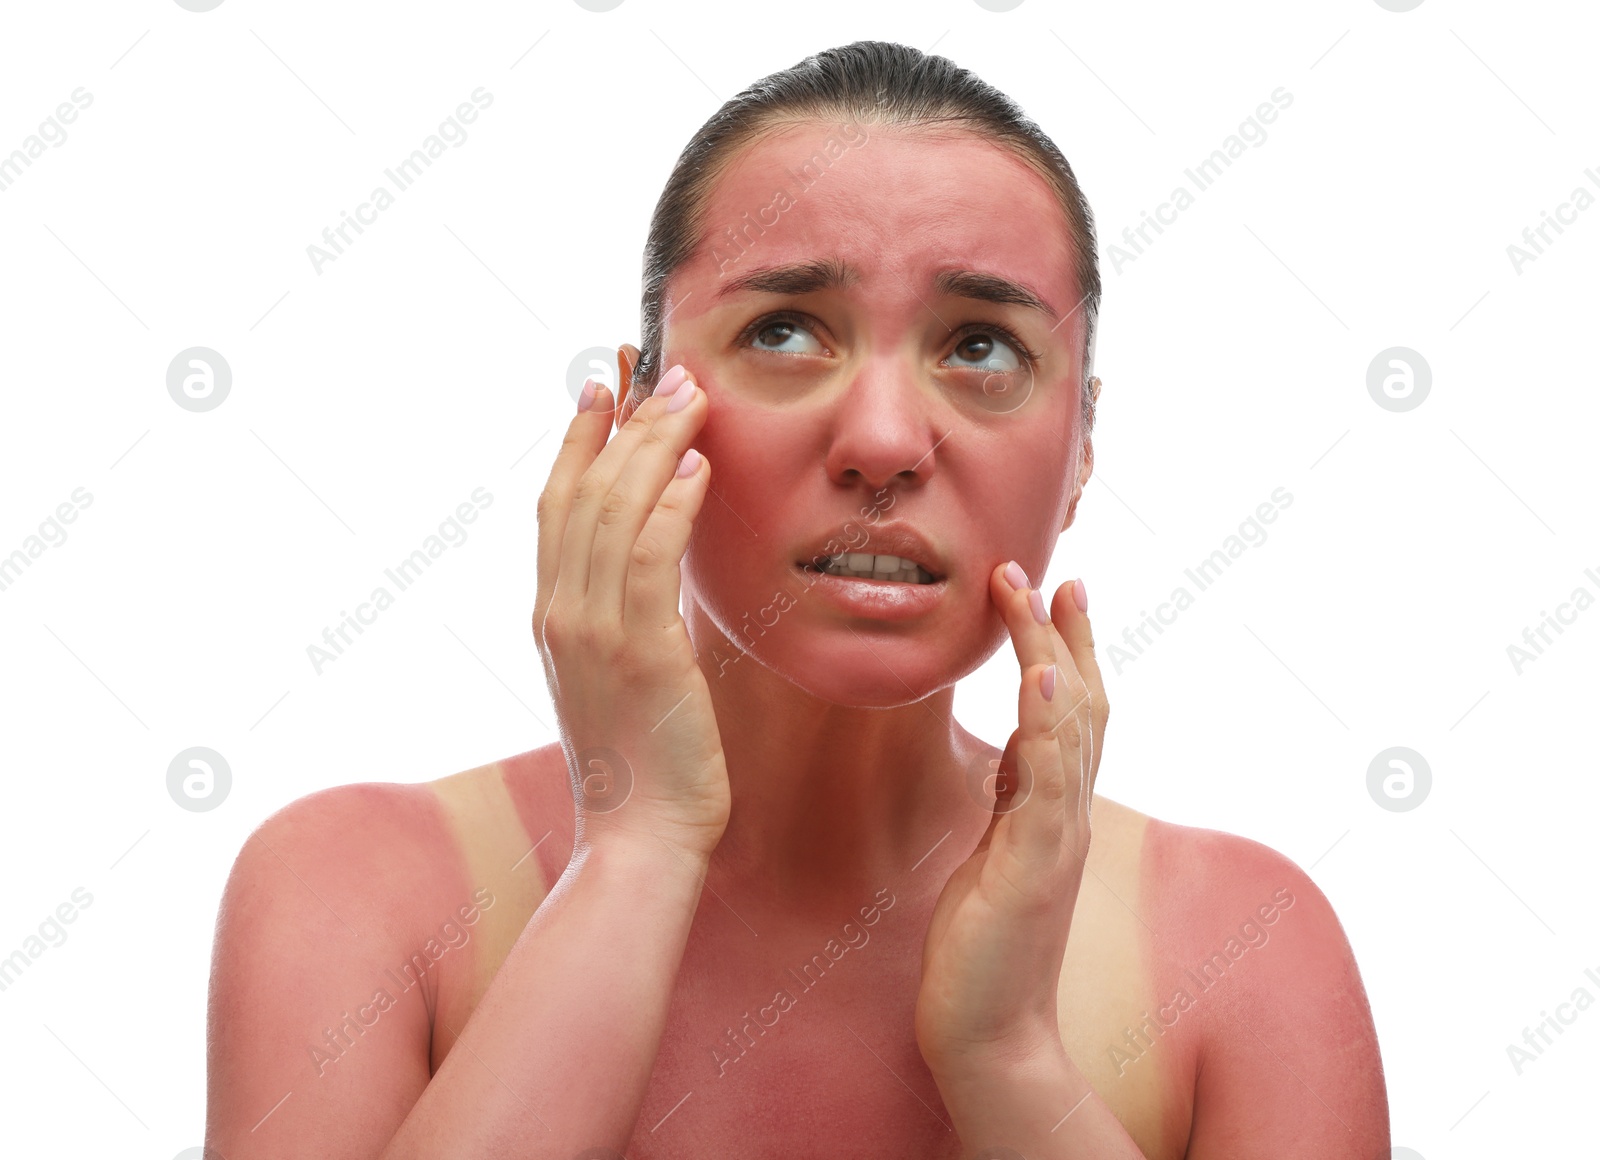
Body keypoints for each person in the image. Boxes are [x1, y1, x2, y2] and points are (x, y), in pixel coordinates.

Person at [204, 40, 1388, 1159]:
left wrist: (1008, 1056)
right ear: (632, 420)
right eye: (783, 329)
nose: (882, 441)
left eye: (980, 346)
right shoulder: (354, 892)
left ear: (1081, 448)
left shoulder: (1244, 950)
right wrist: (635, 847)